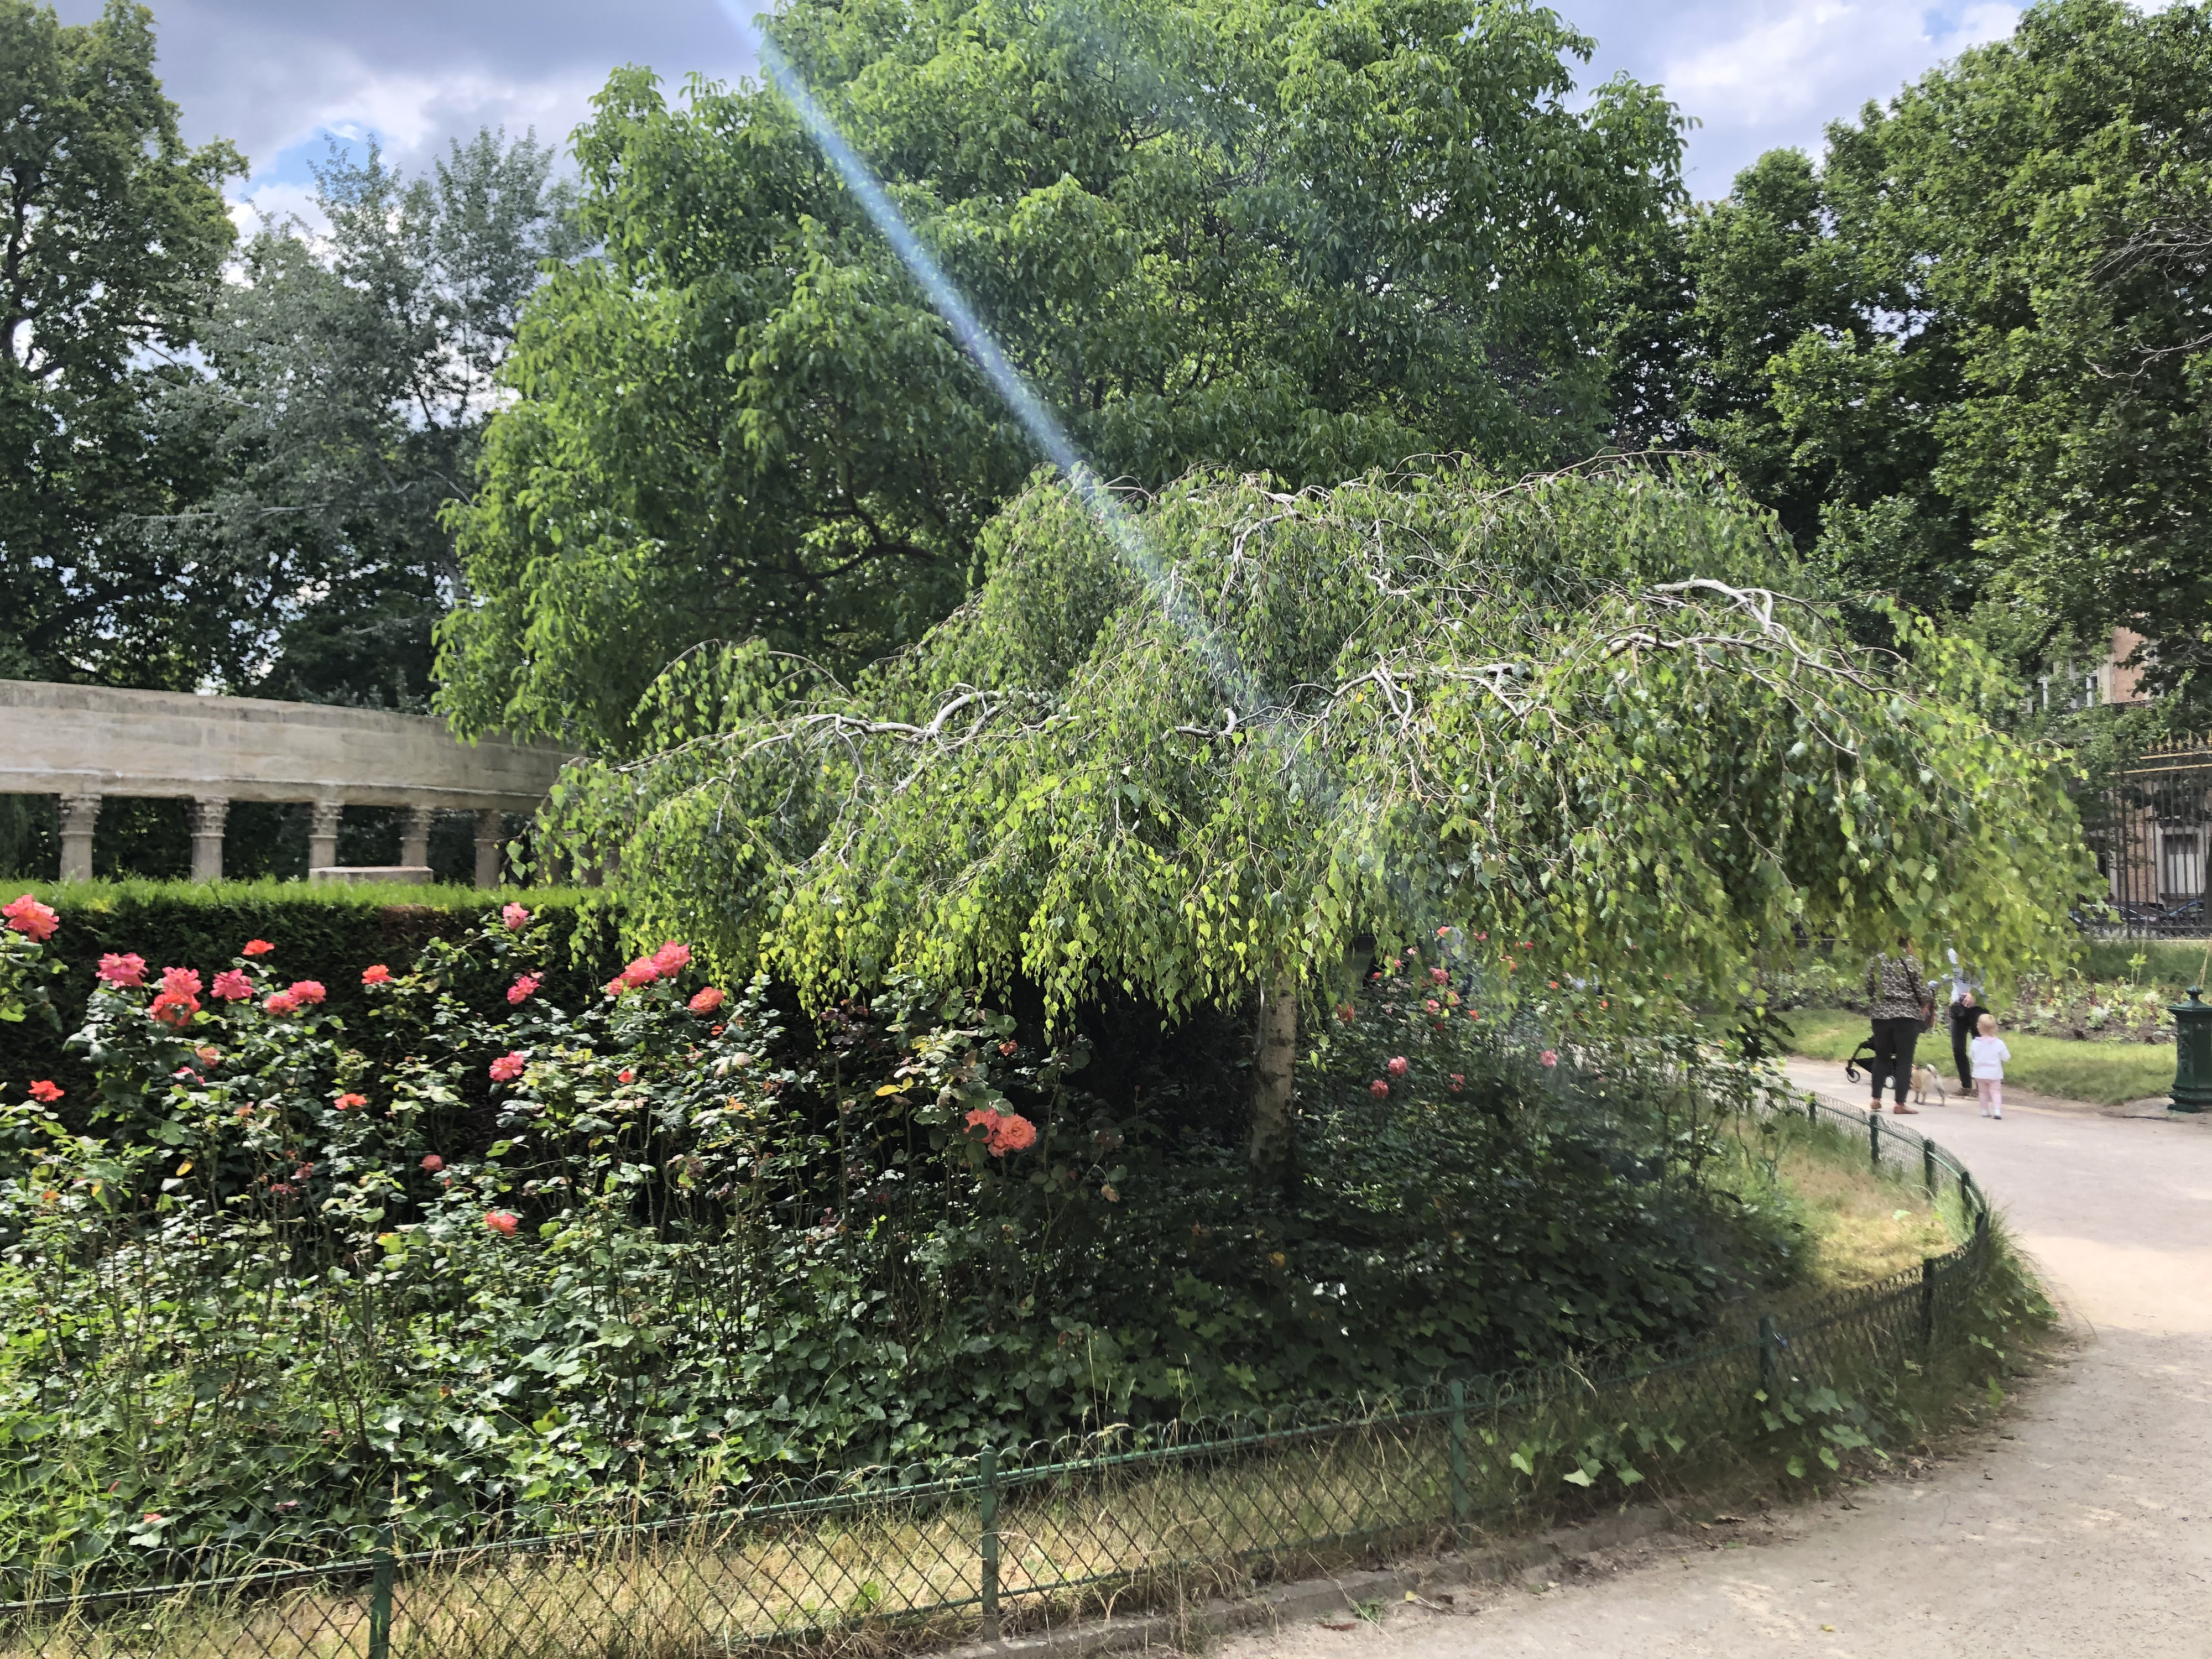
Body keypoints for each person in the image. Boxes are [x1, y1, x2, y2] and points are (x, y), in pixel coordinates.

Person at [1864, 934, 1933, 1115]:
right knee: (1904, 1059)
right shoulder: (1913, 963)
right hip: (1907, 1016)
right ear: (1908, 943)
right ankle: (1900, 1104)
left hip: (1880, 1015)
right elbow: (1924, 993)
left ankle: (1876, 1099)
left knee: (1881, 1056)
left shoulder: (1876, 961)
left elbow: (1869, 987)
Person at [1944, 947, 1984, 1093]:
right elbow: (1946, 974)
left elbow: (1990, 979)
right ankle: (1966, 1085)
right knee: (1958, 1048)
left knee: (1981, 1047)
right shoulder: (1952, 953)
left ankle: (1983, 1086)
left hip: (1978, 1005)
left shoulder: (1981, 950)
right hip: (1958, 1005)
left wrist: (1974, 993)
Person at [1969, 1013, 2010, 1119]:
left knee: (1983, 1092)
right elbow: (2006, 1057)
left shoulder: (1975, 1043)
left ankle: (1984, 1110)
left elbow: (1971, 1055)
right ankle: (1997, 1111)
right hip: (1995, 1073)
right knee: (1996, 1092)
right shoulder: (1999, 1043)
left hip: (1980, 1073)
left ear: (1979, 1028)